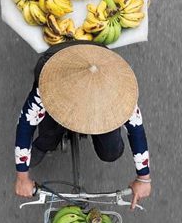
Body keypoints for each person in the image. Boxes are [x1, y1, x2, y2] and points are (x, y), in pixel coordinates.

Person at [13, 42, 151, 209]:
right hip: (60, 59)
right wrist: (22, 176)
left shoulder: (118, 91)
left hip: (99, 58)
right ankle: (45, 144)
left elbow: (136, 130)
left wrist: (144, 178)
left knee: (111, 151)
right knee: (49, 133)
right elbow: (25, 124)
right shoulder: (50, 86)